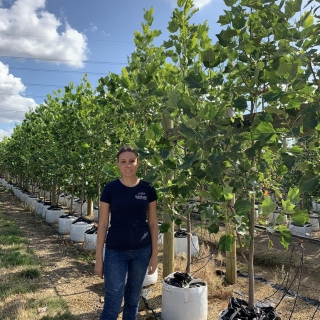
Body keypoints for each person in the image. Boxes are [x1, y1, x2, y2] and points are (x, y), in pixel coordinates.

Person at [94, 146, 158, 320]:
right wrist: (99, 258)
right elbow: (102, 224)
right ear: (118, 165)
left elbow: (152, 223)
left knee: (132, 301)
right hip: (116, 252)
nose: (127, 165)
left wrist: (154, 255)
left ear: (138, 163)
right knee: (112, 304)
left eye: (132, 161)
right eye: (123, 162)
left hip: (142, 252)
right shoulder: (110, 189)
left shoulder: (148, 189)